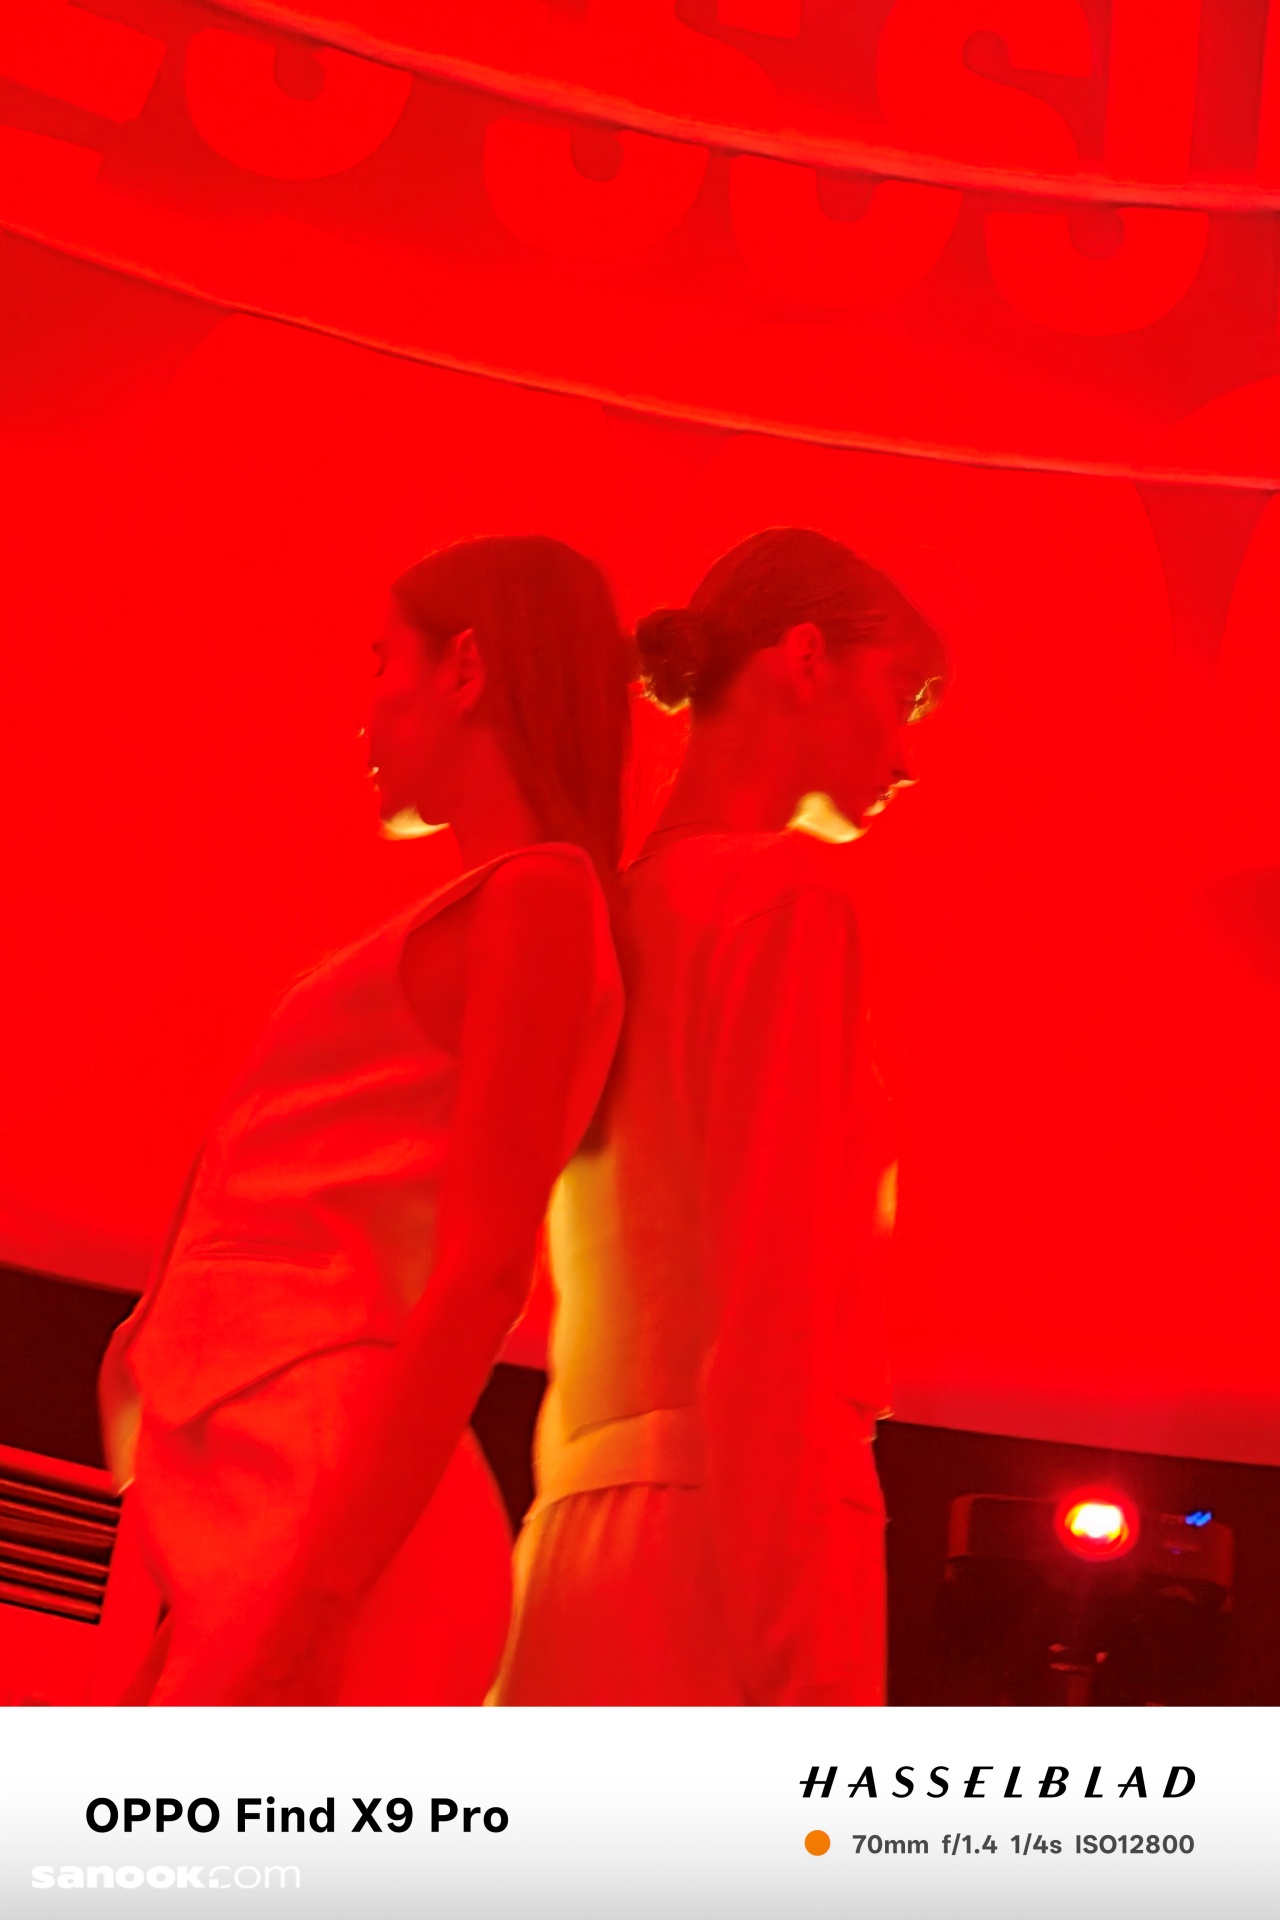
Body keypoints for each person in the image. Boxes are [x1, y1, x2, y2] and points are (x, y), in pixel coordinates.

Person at [98, 535, 630, 1704]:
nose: (365, 712)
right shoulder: (502, 905)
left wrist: (320, 1596)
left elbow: (484, 1274)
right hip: (268, 1493)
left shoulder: (539, 899)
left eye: (382, 660)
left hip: (324, 1507)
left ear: (466, 668)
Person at [492, 526, 945, 1706]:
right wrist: (790, 1675)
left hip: (572, 1531)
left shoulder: (605, 915)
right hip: (739, 1536)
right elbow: (768, 1309)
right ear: (806, 657)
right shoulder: (784, 896)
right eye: (899, 694)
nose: (905, 757)